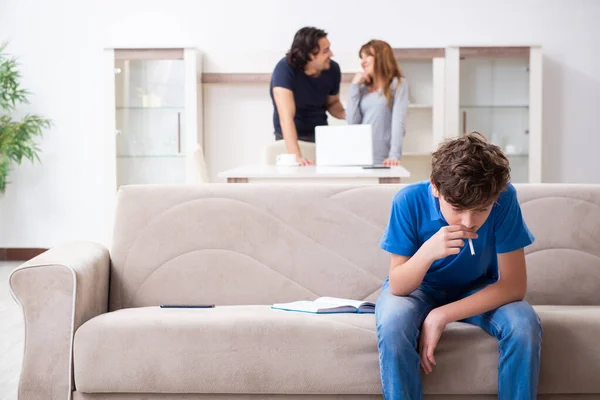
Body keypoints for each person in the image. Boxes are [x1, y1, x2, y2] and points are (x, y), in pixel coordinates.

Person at [376, 132, 542, 399]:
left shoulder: (504, 198)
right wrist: (427, 253)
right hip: (419, 290)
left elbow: (514, 286)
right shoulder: (407, 201)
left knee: (523, 324)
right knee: (393, 323)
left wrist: (441, 315)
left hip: (477, 289)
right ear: (435, 187)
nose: (468, 221)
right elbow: (398, 284)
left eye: (481, 209)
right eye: (457, 209)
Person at [270, 27, 345, 166]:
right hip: (290, 137)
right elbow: (286, 119)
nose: (331, 54)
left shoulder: (332, 69)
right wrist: (296, 156)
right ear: (309, 55)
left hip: (320, 136)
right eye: (325, 51)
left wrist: (351, 114)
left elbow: (332, 103)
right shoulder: (284, 70)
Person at [346, 40, 408, 166]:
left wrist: (394, 155)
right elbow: (352, 123)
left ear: (380, 57)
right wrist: (354, 86)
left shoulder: (397, 84)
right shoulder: (362, 90)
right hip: (358, 156)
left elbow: (398, 122)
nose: (362, 62)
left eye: (367, 56)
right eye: (361, 58)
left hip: (384, 159)